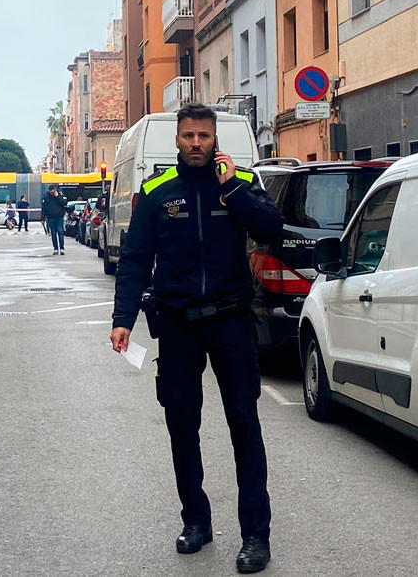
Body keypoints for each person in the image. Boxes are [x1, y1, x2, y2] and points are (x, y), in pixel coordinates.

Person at [109, 103, 283, 574]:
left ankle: (255, 536)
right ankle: (196, 521)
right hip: (179, 324)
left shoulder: (241, 185)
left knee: (244, 423)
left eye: (204, 136)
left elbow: (272, 230)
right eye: (188, 136)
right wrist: (123, 318)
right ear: (178, 140)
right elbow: (134, 259)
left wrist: (232, 189)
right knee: (181, 425)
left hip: (230, 321)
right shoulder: (157, 191)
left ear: (215, 139)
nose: (196, 144)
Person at [40, 184, 68, 255]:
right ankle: (55, 248)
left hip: (59, 217)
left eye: (53, 192)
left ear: (55, 190)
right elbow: (44, 208)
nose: (52, 193)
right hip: (50, 217)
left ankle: (62, 248)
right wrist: (42, 218)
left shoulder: (60, 195)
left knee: (60, 232)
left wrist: (57, 197)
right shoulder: (46, 197)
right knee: (53, 234)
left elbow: (64, 203)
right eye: (51, 192)